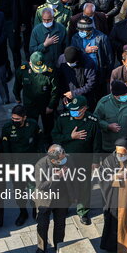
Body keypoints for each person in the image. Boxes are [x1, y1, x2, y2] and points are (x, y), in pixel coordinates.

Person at [51, 96, 100, 225]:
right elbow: (55, 137)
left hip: (84, 159)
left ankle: (83, 211)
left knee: (84, 187)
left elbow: (96, 143)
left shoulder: (92, 121)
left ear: (84, 109)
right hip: (65, 160)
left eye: (76, 110)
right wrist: (70, 137)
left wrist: (95, 161)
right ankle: (64, 207)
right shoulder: (63, 119)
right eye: (71, 109)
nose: (73, 112)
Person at [99, 137, 127, 253]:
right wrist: (117, 176)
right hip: (116, 198)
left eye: (122, 153)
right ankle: (113, 246)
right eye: (117, 152)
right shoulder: (109, 161)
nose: (119, 155)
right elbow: (102, 177)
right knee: (115, 224)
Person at [33, 145, 77, 253]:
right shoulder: (40, 165)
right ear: (53, 160)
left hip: (62, 197)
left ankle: (59, 246)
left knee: (60, 224)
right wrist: (57, 176)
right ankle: (41, 248)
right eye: (61, 159)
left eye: (64, 156)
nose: (64, 160)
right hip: (45, 199)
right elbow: (41, 186)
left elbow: (74, 178)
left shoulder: (67, 159)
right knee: (42, 225)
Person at [94, 80, 127, 154]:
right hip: (109, 146)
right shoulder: (103, 103)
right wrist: (108, 126)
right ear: (115, 95)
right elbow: (95, 120)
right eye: (123, 95)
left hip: (126, 146)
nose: (126, 96)